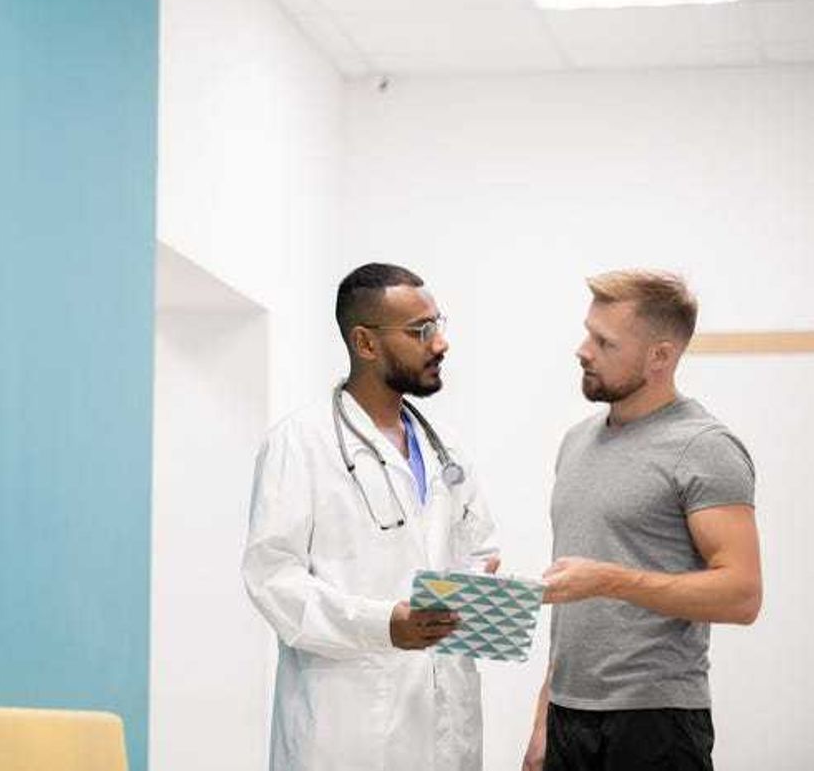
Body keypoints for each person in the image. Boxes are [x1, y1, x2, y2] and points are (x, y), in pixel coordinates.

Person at [242, 262, 499, 771]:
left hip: (443, 719)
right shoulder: (301, 443)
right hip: (347, 725)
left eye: (438, 324)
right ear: (365, 342)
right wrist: (383, 625)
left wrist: (479, 582)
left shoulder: (445, 449)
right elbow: (273, 580)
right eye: (420, 331)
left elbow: (480, 548)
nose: (440, 343)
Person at [522, 270, 763, 771]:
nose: (583, 350)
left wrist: (609, 580)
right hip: (569, 716)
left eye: (604, 342)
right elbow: (577, 610)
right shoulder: (577, 442)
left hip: (657, 723)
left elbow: (742, 595)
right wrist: (544, 720)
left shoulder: (704, 447)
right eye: (588, 333)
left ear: (660, 356)